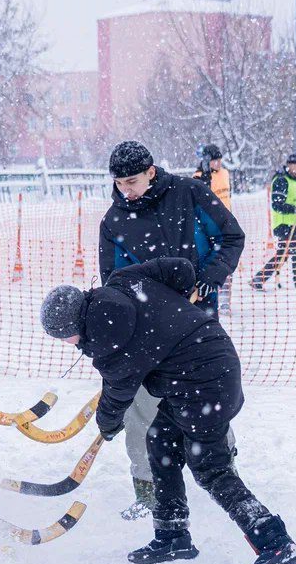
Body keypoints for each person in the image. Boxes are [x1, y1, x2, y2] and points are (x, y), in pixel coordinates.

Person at [39, 258, 296, 564]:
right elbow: (182, 269)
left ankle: (276, 544)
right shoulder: (123, 280)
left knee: (211, 469)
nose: (69, 345)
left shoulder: (107, 343)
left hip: (204, 385)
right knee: (160, 442)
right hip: (209, 357)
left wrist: (107, 425)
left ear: (73, 328)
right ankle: (172, 536)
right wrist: (172, 315)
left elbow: (117, 394)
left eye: (65, 338)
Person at [98, 140, 245, 520]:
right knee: (142, 407)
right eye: (119, 183)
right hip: (147, 330)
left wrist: (209, 278)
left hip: (197, 323)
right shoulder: (114, 222)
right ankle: (148, 492)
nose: (125, 190)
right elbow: (113, 282)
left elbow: (231, 237)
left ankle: (223, 471)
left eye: (132, 181)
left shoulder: (190, 193)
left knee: (205, 398)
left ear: (151, 171)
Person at [251, 154, 296, 291]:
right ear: (290, 165)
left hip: (294, 226)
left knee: (283, 255)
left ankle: (258, 279)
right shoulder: (281, 180)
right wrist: (295, 209)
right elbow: (277, 205)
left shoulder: (294, 181)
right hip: (284, 226)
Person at [192, 143, 232, 210]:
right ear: (206, 161)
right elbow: (198, 201)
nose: (218, 163)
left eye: (219, 160)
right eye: (215, 161)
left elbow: (229, 194)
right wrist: (206, 176)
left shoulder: (225, 173)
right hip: (209, 217)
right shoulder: (198, 176)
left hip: (227, 215)